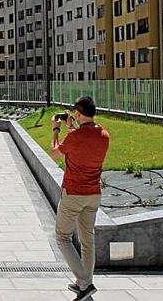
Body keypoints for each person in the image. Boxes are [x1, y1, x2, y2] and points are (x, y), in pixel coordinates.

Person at [50, 96, 109, 301]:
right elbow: (83, 142)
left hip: (74, 193)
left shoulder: (75, 137)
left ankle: (85, 282)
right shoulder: (104, 134)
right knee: (87, 240)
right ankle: (84, 284)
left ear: (78, 113)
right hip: (93, 195)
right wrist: (72, 128)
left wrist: (56, 129)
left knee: (62, 237)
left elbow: (55, 153)